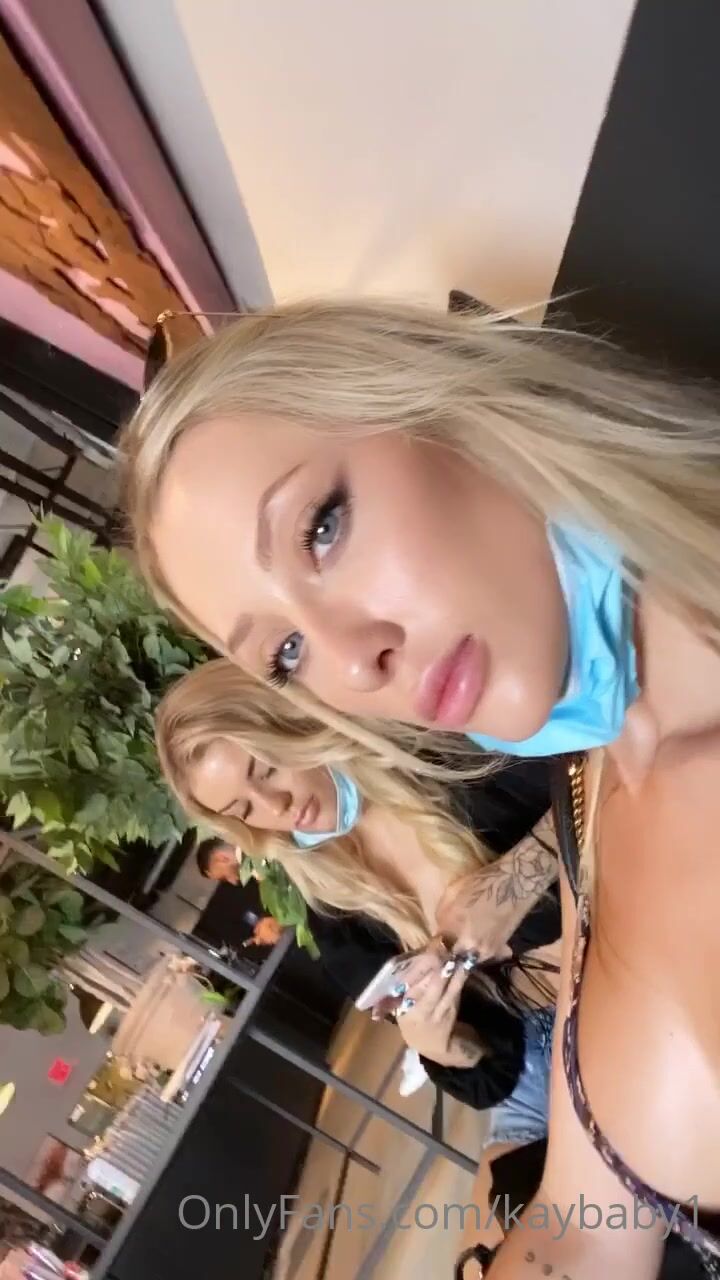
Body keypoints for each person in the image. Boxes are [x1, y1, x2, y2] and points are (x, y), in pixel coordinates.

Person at [123, 297, 720, 1276]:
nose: (353, 657)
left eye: (323, 525)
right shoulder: (589, 769)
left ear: (440, 403)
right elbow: (580, 1223)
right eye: (286, 651)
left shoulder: (470, 756)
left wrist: (504, 897)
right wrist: (442, 1043)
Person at [156, 657, 560, 1139]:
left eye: (266, 768)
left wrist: (515, 882)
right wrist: (444, 1045)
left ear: (293, 720)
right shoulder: (335, 915)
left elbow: (605, 770)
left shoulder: (439, 749)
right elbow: (498, 1070)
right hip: (548, 1046)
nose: (275, 807)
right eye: (243, 809)